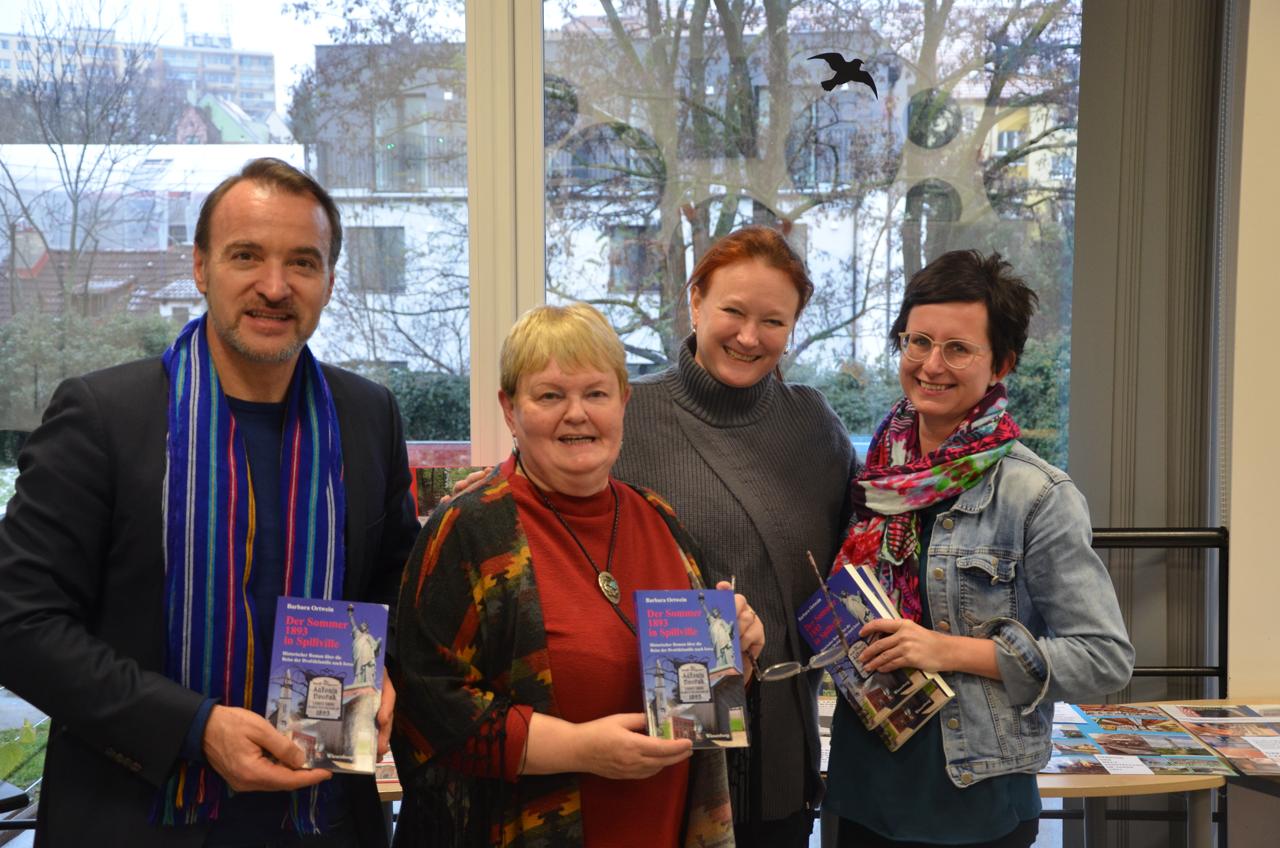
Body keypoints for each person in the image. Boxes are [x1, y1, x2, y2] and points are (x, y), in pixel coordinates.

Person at [0, 158, 420, 847]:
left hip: (324, 818)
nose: (275, 286)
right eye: (246, 256)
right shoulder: (103, 416)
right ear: (200, 268)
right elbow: (17, 623)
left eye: (303, 263)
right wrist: (195, 728)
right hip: (136, 819)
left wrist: (390, 671)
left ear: (330, 282)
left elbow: (396, 589)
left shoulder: (369, 416)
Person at [390, 303, 764, 848]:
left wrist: (739, 658)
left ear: (623, 402)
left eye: (595, 393)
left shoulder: (661, 521)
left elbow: (696, 699)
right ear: (510, 410)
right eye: (549, 396)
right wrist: (580, 749)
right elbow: (430, 709)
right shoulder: (469, 529)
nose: (577, 414)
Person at [823, 250, 1134, 848]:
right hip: (862, 790)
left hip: (973, 800)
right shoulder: (876, 479)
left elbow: (1104, 658)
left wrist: (951, 651)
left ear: (1002, 364)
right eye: (918, 342)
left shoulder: (1037, 494)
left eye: (958, 349)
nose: (931, 365)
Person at [612, 225, 854, 846]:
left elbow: (856, 566)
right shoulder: (624, 417)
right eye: (733, 312)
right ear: (695, 301)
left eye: (773, 321)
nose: (749, 337)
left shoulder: (814, 427)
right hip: (654, 758)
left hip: (781, 764)